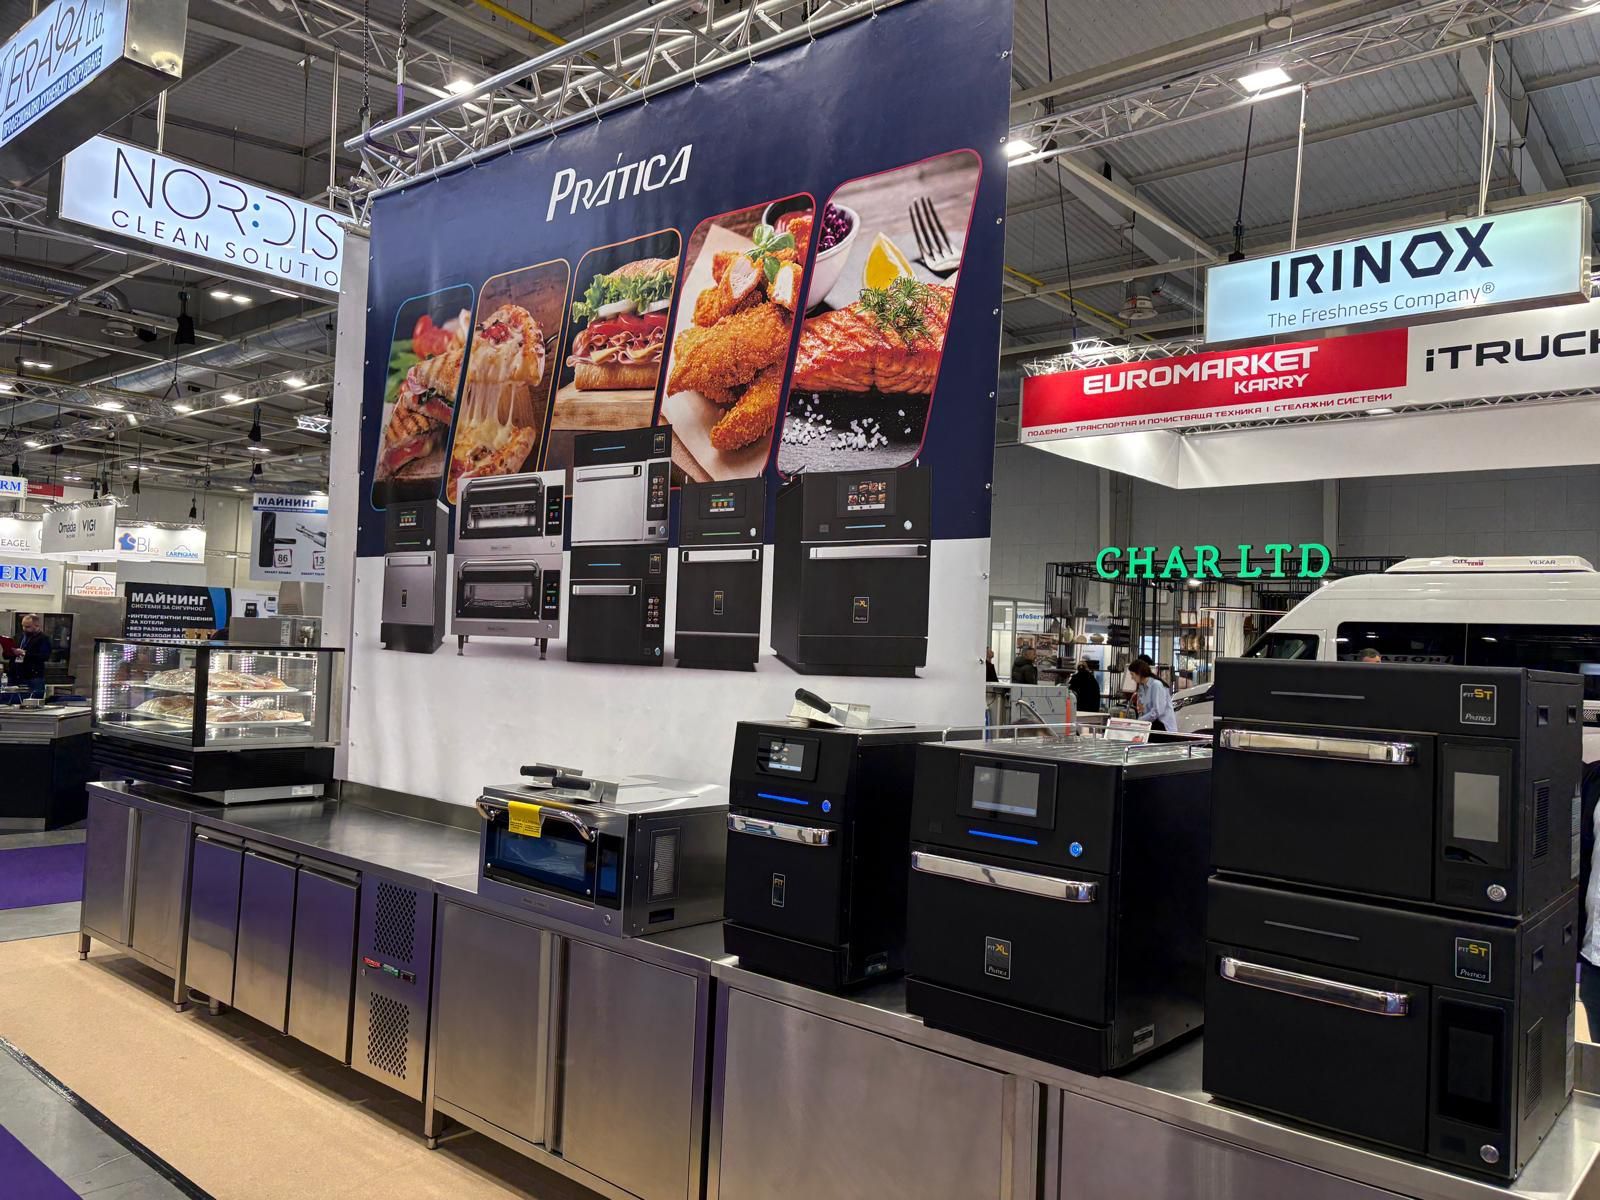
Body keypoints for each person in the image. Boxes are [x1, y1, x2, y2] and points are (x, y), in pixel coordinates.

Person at [1130, 658, 1176, 733]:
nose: (1132, 678)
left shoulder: (1156, 685)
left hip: (1162, 727)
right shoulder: (1142, 687)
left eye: (1132, 674)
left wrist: (1140, 721)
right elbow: (1142, 709)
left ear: (1139, 673)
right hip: (1150, 725)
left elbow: (1157, 711)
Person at [16, 614, 51, 693]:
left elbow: (44, 656)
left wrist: (25, 654)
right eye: (23, 626)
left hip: (34, 676)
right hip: (18, 674)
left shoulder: (43, 638)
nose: (24, 629)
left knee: (35, 697)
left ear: (36, 625)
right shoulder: (19, 636)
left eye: (28, 627)